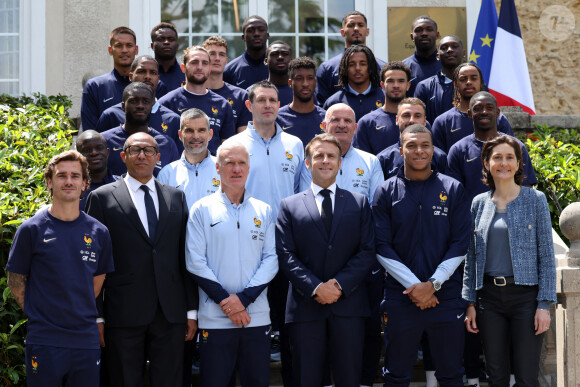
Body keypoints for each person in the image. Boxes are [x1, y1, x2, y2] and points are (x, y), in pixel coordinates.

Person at [85, 132, 197, 386]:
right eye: (135, 150)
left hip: (170, 312)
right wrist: (97, 316)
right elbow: (93, 263)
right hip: (122, 313)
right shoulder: (101, 198)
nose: (142, 155)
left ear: (158, 157)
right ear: (123, 156)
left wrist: (191, 310)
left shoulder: (176, 197)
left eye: (149, 150)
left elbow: (185, 256)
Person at [6, 150, 114, 387]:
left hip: (85, 340)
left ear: (85, 183)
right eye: (61, 175)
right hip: (45, 339)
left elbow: (97, 281)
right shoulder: (31, 230)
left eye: (75, 176)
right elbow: (15, 281)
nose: (68, 181)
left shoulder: (99, 232)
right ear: (49, 182)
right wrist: (40, 312)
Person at [373, 124, 470, 386]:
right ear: (400, 150)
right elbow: (381, 245)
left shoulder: (453, 189)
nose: (419, 151)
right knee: (396, 375)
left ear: (433, 149)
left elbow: (460, 242)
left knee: (451, 374)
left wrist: (434, 285)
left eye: (425, 145)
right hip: (400, 297)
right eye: (412, 145)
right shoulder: (385, 191)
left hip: (446, 296)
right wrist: (415, 287)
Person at [276, 133, 376, 387]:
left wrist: (339, 286)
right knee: (306, 379)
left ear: (340, 163)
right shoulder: (289, 205)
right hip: (306, 309)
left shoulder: (359, 203)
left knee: (349, 379)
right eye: (318, 155)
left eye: (331, 156)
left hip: (349, 308)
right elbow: (286, 255)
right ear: (307, 163)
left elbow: (366, 252)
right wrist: (316, 287)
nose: (325, 160)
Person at [463, 135, 556, 387]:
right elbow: (471, 257)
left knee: (527, 375)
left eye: (509, 157)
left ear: (518, 164)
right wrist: (470, 302)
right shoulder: (478, 204)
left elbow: (546, 256)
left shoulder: (535, 200)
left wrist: (544, 304)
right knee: (496, 375)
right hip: (489, 299)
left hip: (525, 298)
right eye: (497, 157)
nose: (503, 163)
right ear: (486, 163)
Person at [300, 103, 383, 386]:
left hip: (357, 268)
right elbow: (305, 208)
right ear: (324, 125)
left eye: (348, 120)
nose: (342, 124)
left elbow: (375, 212)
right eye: (335, 119)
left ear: (356, 127)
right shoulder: (308, 160)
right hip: (315, 267)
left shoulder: (370, 162)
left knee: (361, 336)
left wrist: (346, 277)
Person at [186, 140, 278, 387]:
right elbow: (195, 262)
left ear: (249, 168)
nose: (236, 169)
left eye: (241, 163)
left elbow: (271, 259)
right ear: (218, 168)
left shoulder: (264, 210)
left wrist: (244, 300)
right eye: (229, 163)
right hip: (214, 320)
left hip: (255, 318)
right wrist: (228, 304)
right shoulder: (201, 210)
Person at [229, 80, 304, 385]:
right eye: (261, 100)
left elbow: (304, 195)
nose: (268, 105)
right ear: (249, 105)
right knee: (248, 322)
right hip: (247, 248)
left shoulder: (295, 145)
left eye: (273, 100)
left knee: (289, 326)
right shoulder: (234, 146)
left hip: (288, 247)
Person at [447, 91, 537, 202]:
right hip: (472, 217)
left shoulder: (516, 147)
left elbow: (526, 189)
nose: (484, 112)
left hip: (511, 216)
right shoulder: (458, 150)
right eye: (478, 108)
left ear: (497, 112)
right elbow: (454, 194)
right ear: (470, 114)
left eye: (489, 108)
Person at [158, 45, 236, 155]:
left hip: (213, 170)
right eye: (194, 62)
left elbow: (227, 148)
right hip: (178, 169)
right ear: (183, 68)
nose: (199, 67)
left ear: (209, 68)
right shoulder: (166, 103)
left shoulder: (223, 105)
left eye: (204, 63)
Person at [96, 55, 182, 152]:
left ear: (158, 79)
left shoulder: (173, 120)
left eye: (153, 73)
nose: (147, 76)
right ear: (130, 76)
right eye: (141, 71)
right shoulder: (111, 115)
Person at [101, 82, 179, 177]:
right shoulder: (104, 141)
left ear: (151, 107)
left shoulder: (167, 144)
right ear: (123, 106)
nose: (140, 106)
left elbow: (174, 181)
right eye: (134, 101)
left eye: (146, 102)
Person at [432, 63, 513, 153]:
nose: (469, 82)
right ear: (455, 84)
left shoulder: (498, 119)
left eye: (474, 78)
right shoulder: (442, 122)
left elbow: (511, 153)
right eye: (463, 79)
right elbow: (439, 160)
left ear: (481, 83)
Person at [316, 11, 385, 105]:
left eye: (360, 25)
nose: (356, 29)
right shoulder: (327, 68)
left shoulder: (382, 67)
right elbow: (321, 106)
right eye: (351, 25)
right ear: (342, 32)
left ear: (367, 31)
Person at [157, 108, 220, 209]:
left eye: (201, 130)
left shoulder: (224, 169)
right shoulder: (167, 174)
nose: (196, 136)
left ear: (210, 134)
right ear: (180, 135)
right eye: (189, 131)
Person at [82, 27, 139, 130]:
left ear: (136, 50)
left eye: (129, 45)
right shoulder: (95, 87)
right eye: (118, 46)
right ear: (110, 50)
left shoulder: (149, 85)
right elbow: (90, 132)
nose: (124, 50)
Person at [377, 98, 447, 180]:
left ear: (425, 121)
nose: (412, 120)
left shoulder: (440, 157)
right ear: (397, 120)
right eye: (406, 115)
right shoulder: (383, 159)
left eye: (417, 116)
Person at [353, 61, 411, 155]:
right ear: (382, 85)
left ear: (408, 85)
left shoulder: (418, 121)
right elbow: (362, 162)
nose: (396, 85)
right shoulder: (367, 123)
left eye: (401, 81)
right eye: (390, 81)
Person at [202, 36, 252, 132]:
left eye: (221, 54)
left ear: (226, 60)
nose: (217, 58)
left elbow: (244, 137)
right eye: (212, 54)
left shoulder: (241, 96)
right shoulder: (194, 93)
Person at [323, 45, 385, 122]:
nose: (357, 68)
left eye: (363, 64)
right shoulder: (334, 102)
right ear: (345, 68)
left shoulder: (385, 98)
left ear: (371, 68)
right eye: (352, 64)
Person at [415, 35, 466, 125]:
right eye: (444, 48)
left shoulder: (475, 84)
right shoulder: (424, 87)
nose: (450, 50)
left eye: (454, 46)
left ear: (463, 53)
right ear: (437, 56)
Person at [277, 56, 326, 147]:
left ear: (315, 83)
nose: (305, 84)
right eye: (299, 78)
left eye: (310, 78)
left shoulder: (326, 118)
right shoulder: (278, 118)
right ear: (290, 83)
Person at [223, 15, 270, 90]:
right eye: (251, 30)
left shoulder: (277, 68)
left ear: (267, 35)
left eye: (261, 30)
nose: (256, 34)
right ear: (243, 37)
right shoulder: (229, 71)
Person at [76, 130, 119, 210]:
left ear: (107, 152)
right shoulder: (73, 191)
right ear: (78, 156)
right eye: (87, 150)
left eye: (99, 148)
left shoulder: (123, 185)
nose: (94, 153)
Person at [403, 16, 441, 97]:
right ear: (411, 36)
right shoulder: (403, 68)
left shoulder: (447, 65)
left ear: (437, 35)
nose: (424, 33)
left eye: (429, 29)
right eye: (419, 30)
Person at [151, 22, 184, 94]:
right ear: (152, 45)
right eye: (161, 39)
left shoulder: (186, 74)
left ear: (177, 45)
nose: (166, 42)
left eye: (171, 39)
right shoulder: (145, 75)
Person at [264, 40, 293, 106]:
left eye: (285, 54)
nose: (280, 57)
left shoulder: (303, 92)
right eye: (274, 54)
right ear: (266, 61)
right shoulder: (254, 92)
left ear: (291, 61)